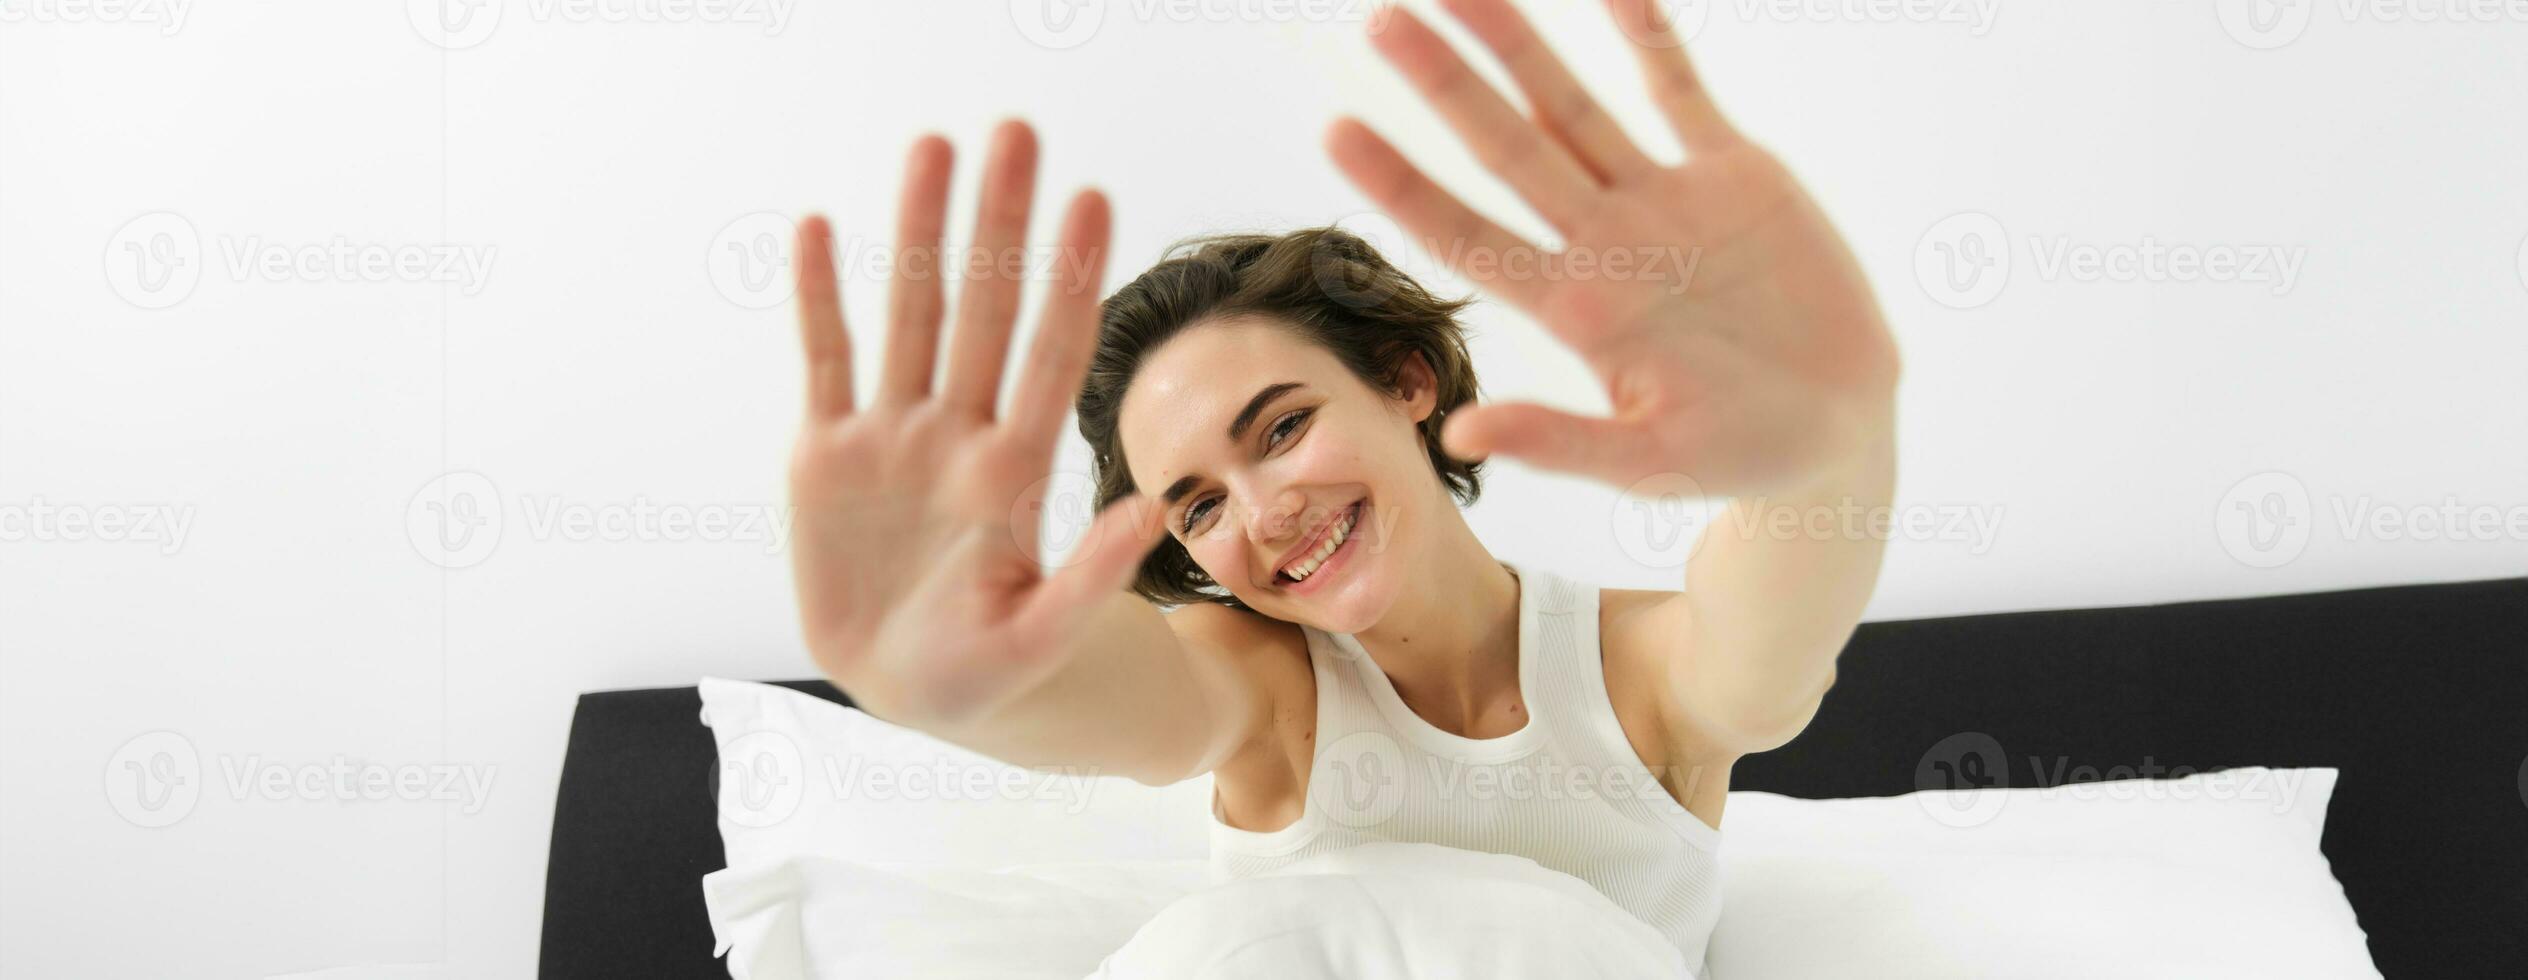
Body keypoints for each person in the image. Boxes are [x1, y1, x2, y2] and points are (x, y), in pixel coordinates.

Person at [776, 0, 1899, 969]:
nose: (1262, 514)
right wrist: (938, 680)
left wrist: (1837, 435)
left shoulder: (1638, 672)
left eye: (1280, 427)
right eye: (1198, 504)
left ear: (1406, 379)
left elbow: (1768, 644)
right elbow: (1128, 699)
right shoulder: (1261, 685)